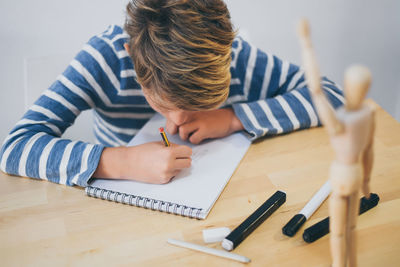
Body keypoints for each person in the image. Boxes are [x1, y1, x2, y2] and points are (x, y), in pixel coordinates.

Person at [0, 0, 343, 187]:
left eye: (195, 105)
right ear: (133, 59)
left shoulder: (231, 56)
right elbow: (14, 146)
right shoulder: (104, 58)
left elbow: (329, 95)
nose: (177, 120)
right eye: (164, 103)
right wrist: (120, 161)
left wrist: (232, 117)